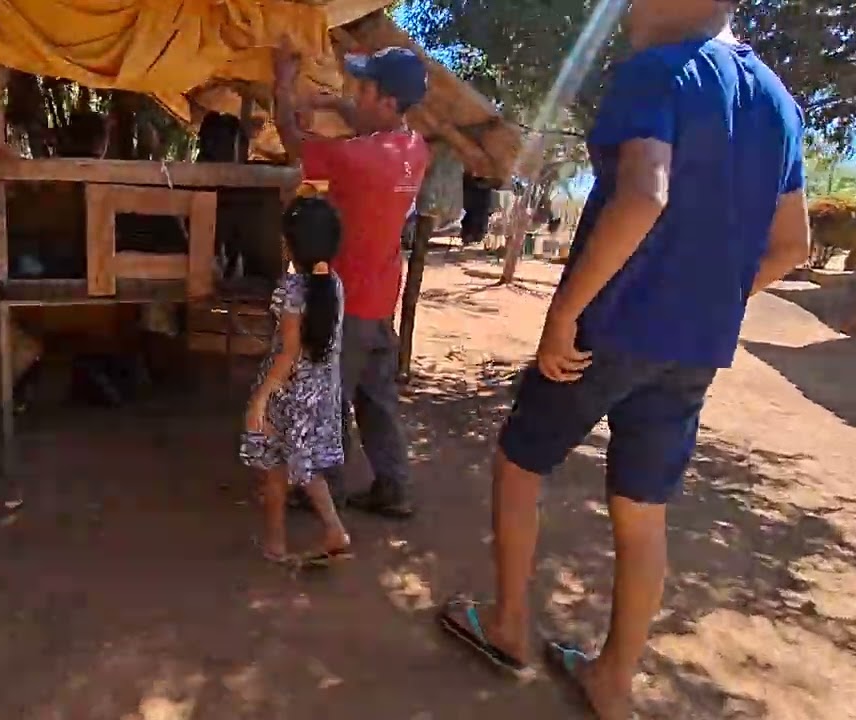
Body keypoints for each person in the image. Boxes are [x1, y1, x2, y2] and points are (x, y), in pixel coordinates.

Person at [438, 1, 811, 718]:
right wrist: (714, 299)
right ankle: (612, 678)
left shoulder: (656, 72)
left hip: (610, 327)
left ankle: (510, 625)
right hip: (693, 349)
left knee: (520, 463)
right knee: (643, 513)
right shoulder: (779, 103)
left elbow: (644, 192)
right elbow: (792, 244)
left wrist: (565, 312)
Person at [273, 42, 431, 519]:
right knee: (377, 401)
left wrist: (283, 83)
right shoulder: (414, 148)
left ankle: (327, 491)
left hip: (347, 300)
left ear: (386, 102)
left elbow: (290, 137)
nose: (354, 95)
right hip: (381, 298)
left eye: (363, 88)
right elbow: (362, 119)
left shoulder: (354, 159)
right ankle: (393, 487)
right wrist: (328, 102)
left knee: (327, 400)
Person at [240, 196, 350, 567]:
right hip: (318, 392)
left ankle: (275, 545)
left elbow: (288, 353)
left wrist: (260, 399)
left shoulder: (292, 290)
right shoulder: (331, 283)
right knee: (302, 464)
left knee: (274, 466)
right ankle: (333, 529)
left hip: (287, 392)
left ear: (290, 243)